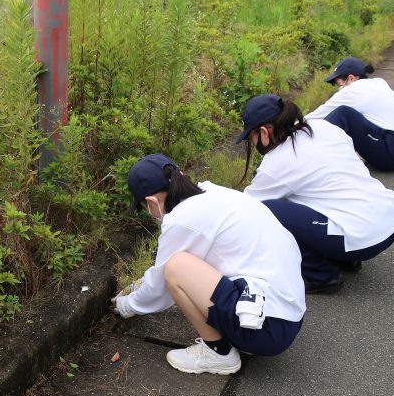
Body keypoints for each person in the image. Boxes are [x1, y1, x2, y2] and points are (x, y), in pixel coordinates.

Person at [113, 154, 305, 376]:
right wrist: (139, 286)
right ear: (180, 175)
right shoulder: (214, 193)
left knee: (175, 269)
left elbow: (159, 289)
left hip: (268, 329)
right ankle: (238, 335)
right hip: (288, 314)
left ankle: (218, 353)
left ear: (151, 202)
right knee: (179, 266)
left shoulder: (181, 219)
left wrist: (124, 305)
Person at [237, 94, 394, 294]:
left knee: (269, 209)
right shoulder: (324, 127)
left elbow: (246, 207)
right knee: (315, 194)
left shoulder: (277, 161)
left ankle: (322, 276)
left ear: (264, 131)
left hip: (363, 236)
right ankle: (346, 259)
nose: (253, 144)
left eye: (251, 137)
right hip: (389, 220)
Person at [306, 56, 394, 172]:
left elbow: (317, 116)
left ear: (351, 78)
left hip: (392, 154)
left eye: (339, 84)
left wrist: (289, 126)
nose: (338, 89)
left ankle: (308, 157)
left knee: (343, 113)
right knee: (352, 116)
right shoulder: (377, 84)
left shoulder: (352, 91)